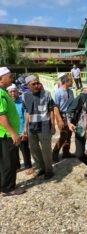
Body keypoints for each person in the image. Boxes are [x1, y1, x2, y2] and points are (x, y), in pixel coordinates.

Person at [22, 75, 56, 179]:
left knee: (46, 149)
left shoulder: (46, 94)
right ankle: (41, 167)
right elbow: (27, 112)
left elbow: (51, 110)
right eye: (34, 84)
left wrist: (53, 125)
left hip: (45, 126)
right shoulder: (24, 96)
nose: (37, 85)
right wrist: (25, 127)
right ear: (28, 85)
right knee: (34, 149)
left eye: (38, 83)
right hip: (32, 127)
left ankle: (49, 170)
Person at [0, 67, 26, 196]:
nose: (11, 78)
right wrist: (13, 132)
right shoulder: (1, 94)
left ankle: (4, 185)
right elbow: (1, 115)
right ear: (1, 79)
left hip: (4, 133)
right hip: (5, 134)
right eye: (9, 76)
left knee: (4, 161)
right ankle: (8, 188)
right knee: (9, 162)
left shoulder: (3, 92)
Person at [7, 84, 33, 174]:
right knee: (14, 150)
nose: (13, 93)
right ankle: (17, 166)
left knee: (25, 149)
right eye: (11, 92)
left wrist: (25, 130)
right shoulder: (7, 102)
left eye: (14, 91)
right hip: (11, 131)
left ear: (18, 92)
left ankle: (28, 166)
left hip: (22, 130)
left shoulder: (22, 102)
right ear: (8, 93)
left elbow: (26, 115)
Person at [52, 74, 75, 163]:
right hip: (62, 115)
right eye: (71, 80)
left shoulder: (71, 91)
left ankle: (66, 152)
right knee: (63, 135)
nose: (72, 81)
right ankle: (55, 152)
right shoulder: (58, 92)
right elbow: (56, 107)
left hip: (70, 115)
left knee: (69, 134)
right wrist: (59, 119)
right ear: (65, 81)